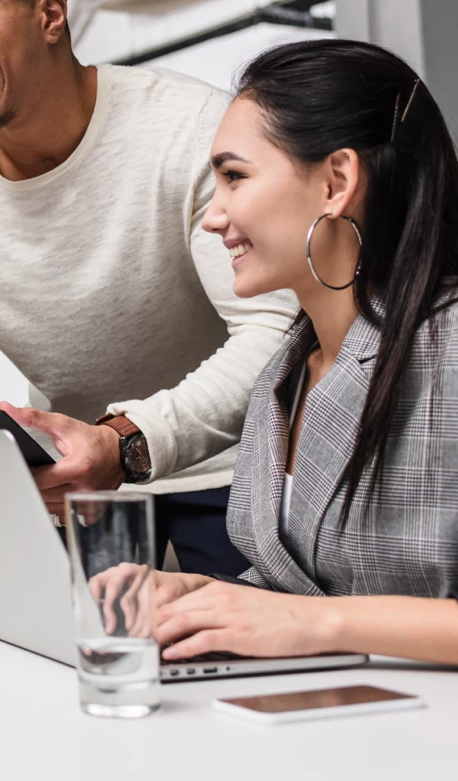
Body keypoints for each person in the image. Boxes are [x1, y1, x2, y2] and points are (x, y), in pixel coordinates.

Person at [0, 0, 296, 577]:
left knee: (241, 672)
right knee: (73, 670)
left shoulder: (190, 128)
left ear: (50, 16)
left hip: (236, 467)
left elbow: (272, 332)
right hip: (80, 483)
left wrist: (125, 439)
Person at [137, 40, 458, 664]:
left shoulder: (448, 345)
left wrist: (320, 624)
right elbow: (302, 592)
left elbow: (318, 615)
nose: (213, 216)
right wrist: (199, 597)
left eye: (234, 177)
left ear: (336, 182)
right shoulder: (285, 374)